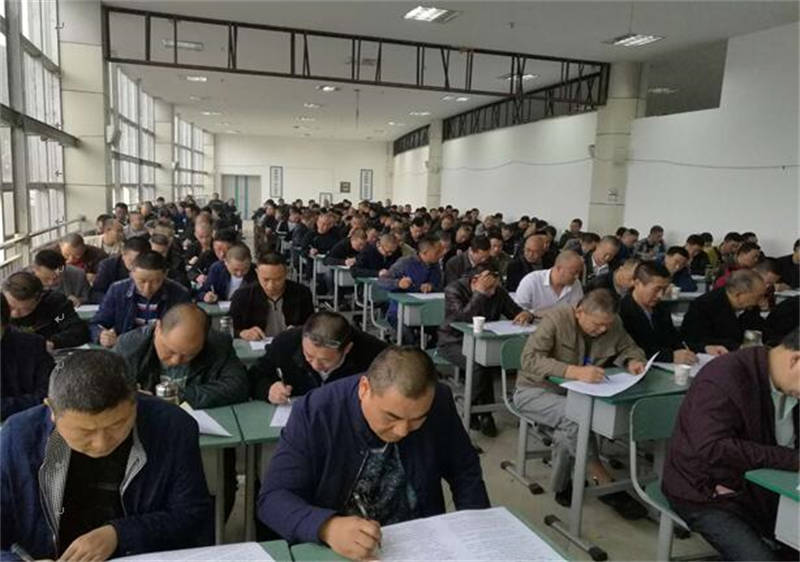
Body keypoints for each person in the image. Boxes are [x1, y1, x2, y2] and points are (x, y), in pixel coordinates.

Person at [257, 347, 490, 558]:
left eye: (417, 420)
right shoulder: (315, 412)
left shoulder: (439, 400)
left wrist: (476, 529)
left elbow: (464, 470)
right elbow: (273, 499)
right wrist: (327, 527)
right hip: (340, 546)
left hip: (418, 541)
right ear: (364, 388)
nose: (402, 431)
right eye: (391, 417)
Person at [0, 349, 213, 560]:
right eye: (85, 432)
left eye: (117, 425)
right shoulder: (17, 437)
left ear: (136, 400)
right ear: (52, 411)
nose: (101, 444)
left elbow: (192, 515)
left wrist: (120, 534)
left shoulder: (172, 427)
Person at [662, 329, 800, 561]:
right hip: (704, 492)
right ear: (795, 359)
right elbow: (712, 447)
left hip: (760, 488)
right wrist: (792, 460)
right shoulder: (724, 376)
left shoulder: (787, 384)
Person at [514, 289, 648, 518]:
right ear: (579, 312)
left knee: (569, 429)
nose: (603, 330)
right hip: (534, 391)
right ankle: (600, 477)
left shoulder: (612, 323)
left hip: (578, 396)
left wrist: (633, 361)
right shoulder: (556, 319)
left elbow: (629, 347)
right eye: (597, 324)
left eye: (607, 325)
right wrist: (573, 371)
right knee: (575, 419)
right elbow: (530, 359)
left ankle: (562, 484)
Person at [438, 264, 534, 437]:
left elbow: (515, 311)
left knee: (484, 363)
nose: (492, 292)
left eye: (494, 287)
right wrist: (479, 294)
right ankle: (479, 413)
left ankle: (477, 411)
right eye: (488, 288)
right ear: (475, 281)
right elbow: (462, 319)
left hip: (484, 343)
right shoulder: (454, 289)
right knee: (478, 365)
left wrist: (526, 314)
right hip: (453, 341)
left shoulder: (498, 291)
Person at [115, 303, 249, 408]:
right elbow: (111, 390)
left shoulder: (218, 344)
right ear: (158, 329)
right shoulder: (129, 347)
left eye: (189, 355)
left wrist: (174, 396)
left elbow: (238, 387)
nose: (176, 360)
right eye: (170, 351)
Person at [248, 310, 387, 403]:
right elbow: (254, 376)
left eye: (325, 360)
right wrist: (268, 389)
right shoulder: (286, 342)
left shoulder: (375, 354)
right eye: (308, 356)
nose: (315, 365)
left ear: (347, 349)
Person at [90, 251, 191, 347]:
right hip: (126, 348)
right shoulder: (117, 290)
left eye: (155, 282)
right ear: (132, 273)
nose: (147, 288)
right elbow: (96, 323)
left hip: (164, 348)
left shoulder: (179, 294)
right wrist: (102, 335)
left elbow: (188, 327)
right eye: (142, 281)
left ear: (165, 274)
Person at [619, 261, 700, 363]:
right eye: (656, 289)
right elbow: (632, 350)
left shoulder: (662, 308)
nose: (660, 295)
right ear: (637, 283)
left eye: (665, 289)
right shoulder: (621, 311)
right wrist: (670, 356)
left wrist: (684, 351)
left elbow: (673, 339)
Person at [230, 252, 313, 341]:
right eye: (265, 279)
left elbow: (313, 326)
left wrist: (300, 331)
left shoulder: (302, 293)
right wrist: (242, 333)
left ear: (286, 273)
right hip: (256, 346)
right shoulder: (242, 296)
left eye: (278, 279)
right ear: (257, 273)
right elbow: (229, 329)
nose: (271, 286)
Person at [681, 269, 767, 353]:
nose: (761, 301)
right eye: (759, 296)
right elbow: (695, 340)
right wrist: (737, 347)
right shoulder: (703, 305)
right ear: (738, 295)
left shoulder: (751, 307)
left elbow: (758, 329)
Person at [2, 271, 89, 350]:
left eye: (25, 309)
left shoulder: (56, 306)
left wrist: (51, 343)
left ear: (39, 299)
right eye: (10, 307)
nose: (15, 314)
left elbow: (77, 330)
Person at [0, 294, 54, 421]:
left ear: (5, 323)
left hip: (28, 421)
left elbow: (48, 394)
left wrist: (5, 407)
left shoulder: (33, 345)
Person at [377, 234, 443, 328]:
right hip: (400, 312)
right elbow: (382, 281)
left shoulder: (435, 266)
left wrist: (431, 286)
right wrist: (398, 283)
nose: (441, 254)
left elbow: (440, 286)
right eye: (437, 252)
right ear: (425, 252)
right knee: (408, 334)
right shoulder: (405, 263)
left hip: (427, 310)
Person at [513, 250, 584, 315]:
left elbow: (577, 311)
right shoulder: (532, 281)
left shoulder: (576, 284)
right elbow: (518, 311)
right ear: (559, 269)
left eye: (579, 273)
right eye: (573, 273)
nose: (577, 277)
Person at [90, 237, 151, 304]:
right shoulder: (108, 266)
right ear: (123, 255)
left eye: (141, 261)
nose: (136, 265)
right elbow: (96, 293)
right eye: (131, 261)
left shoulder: (154, 267)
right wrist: (116, 301)